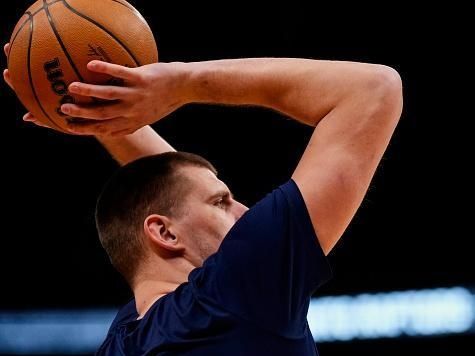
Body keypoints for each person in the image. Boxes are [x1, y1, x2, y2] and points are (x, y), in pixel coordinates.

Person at [4, 43, 403, 355]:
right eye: (221, 202)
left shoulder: (124, 340)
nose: (246, 210)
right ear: (164, 233)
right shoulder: (233, 295)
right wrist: (180, 83)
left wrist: (92, 111)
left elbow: (166, 187)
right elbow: (373, 90)